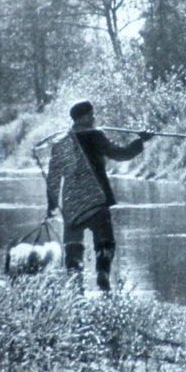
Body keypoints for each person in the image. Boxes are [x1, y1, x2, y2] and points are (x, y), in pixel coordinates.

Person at [45, 100, 153, 292]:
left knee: (73, 244)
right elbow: (121, 154)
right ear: (84, 117)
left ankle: (75, 281)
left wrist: (51, 205)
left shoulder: (60, 143)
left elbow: (53, 178)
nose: (94, 118)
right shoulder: (96, 136)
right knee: (105, 240)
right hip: (97, 199)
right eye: (91, 114)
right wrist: (141, 141)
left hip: (71, 203)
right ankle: (102, 274)